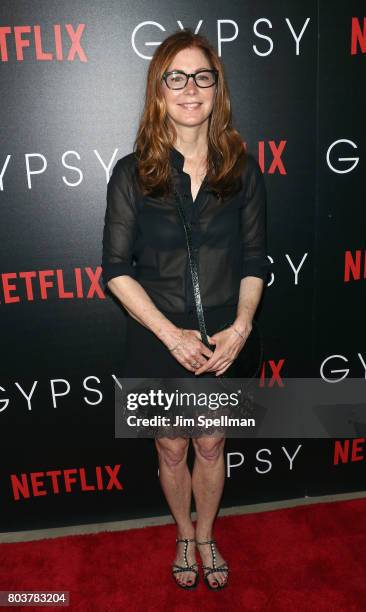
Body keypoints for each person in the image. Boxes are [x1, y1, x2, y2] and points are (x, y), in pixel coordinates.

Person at [101, 28, 269, 591]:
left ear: (217, 89)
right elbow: (116, 269)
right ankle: (181, 532)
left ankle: (206, 537)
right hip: (156, 337)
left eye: (202, 76)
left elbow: (254, 259)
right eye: (177, 77)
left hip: (226, 339)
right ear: (159, 90)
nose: (190, 89)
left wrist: (242, 328)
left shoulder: (243, 170)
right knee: (172, 448)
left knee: (211, 442)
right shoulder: (132, 173)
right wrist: (171, 335)